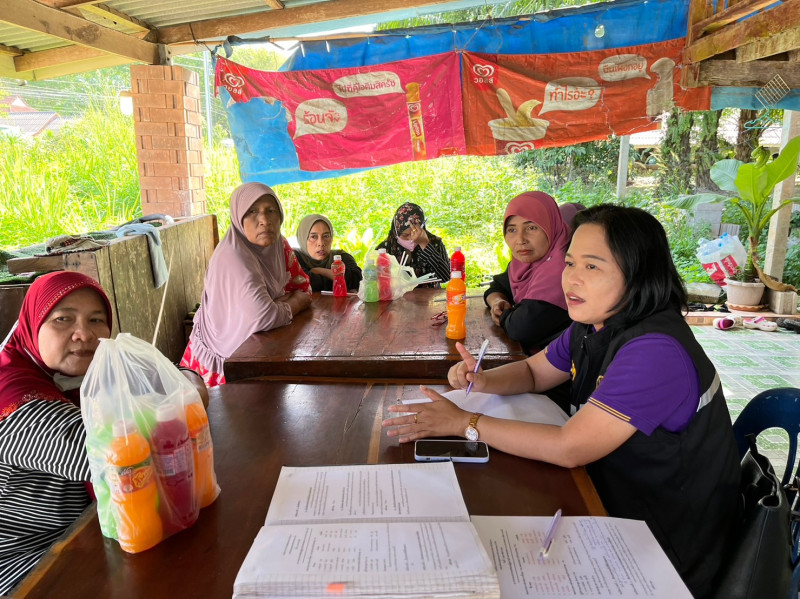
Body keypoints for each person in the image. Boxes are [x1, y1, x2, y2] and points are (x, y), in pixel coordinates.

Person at [383, 205, 741, 599]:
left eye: (592, 266)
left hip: (662, 547)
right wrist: (482, 381)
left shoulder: (655, 350)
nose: (571, 278)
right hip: (608, 498)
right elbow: (534, 372)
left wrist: (463, 423)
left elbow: (569, 447)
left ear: (639, 273)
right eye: (570, 263)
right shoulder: (593, 324)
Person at [0, 271, 111, 594]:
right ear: (33, 324)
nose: (84, 334)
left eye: (96, 320)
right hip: (21, 565)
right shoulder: (14, 398)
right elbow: (113, 457)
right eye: (63, 319)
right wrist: (182, 390)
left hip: (72, 537)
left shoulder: (67, 377)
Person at [181, 182, 311, 386]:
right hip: (221, 365)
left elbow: (304, 288)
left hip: (261, 349)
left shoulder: (279, 245)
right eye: (252, 212)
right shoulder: (234, 257)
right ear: (238, 217)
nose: (264, 220)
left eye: (271, 211)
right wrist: (293, 303)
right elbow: (265, 316)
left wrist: (278, 305)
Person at [484, 191, 572, 354]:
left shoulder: (564, 268)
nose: (520, 240)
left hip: (563, 366)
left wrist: (503, 315)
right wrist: (497, 301)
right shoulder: (524, 264)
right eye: (512, 230)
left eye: (531, 228)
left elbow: (521, 328)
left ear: (551, 227)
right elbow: (497, 286)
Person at [376, 202, 450, 287]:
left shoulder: (435, 243)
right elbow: (373, 280)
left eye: (415, 233)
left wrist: (424, 244)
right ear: (396, 232)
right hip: (397, 295)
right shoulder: (385, 249)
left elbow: (445, 277)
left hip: (429, 295)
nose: (412, 239)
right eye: (405, 235)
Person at [293, 214, 362, 292]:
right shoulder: (293, 257)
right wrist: (341, 280)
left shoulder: (341, 256)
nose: (321, 243)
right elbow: (305, 282)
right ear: (303, 238)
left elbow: (357, 279)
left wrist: (318, 270)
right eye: (313, 237)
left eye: (326, 236)